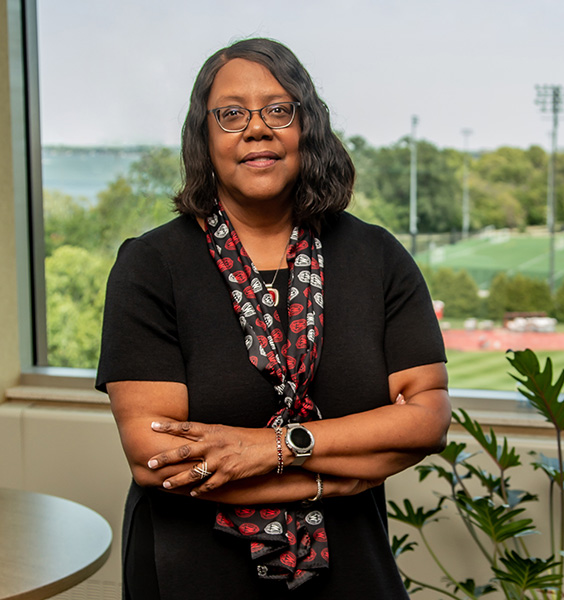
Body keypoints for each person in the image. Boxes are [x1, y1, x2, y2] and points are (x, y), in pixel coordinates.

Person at [96, 38, 450, 599]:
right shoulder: (151, 266)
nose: (256, 128)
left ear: (306, 126)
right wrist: (346, 473)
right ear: (203, 137)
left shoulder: (377, 257)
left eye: (278, 109)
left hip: (353, 568)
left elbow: (427, 420)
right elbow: (158, 461)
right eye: (231, 113)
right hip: (191, 570)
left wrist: (272, 447)